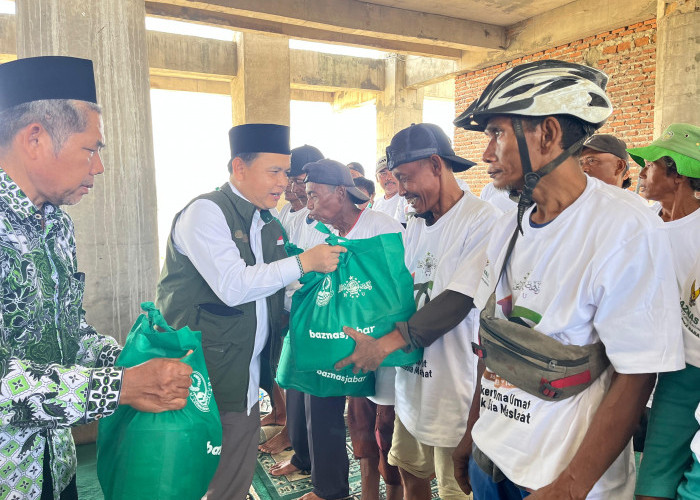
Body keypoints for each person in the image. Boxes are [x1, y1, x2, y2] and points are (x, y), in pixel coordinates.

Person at [450, 59, 684, 499]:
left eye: (497, 133)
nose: (485, 154)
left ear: (548, 134)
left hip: (558, 480)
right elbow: (495, 344)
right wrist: (472, 433)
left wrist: (571, 488)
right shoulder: (507, 227)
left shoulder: (623, 228)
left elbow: (639, 373)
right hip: (492, 462)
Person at [0, 56, 193, 500]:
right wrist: (122, 386)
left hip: (57, 461)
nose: (98, 168)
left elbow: (68, 330)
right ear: (35, 138)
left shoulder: (55, 224)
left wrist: (128, 356)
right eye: (91, 150)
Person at [154, 124, 345, 500]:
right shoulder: (206, 212)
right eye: (273, 171)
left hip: (243, 373)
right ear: (239, 167)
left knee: (232, 477)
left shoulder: (266, 222)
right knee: (196, 476)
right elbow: (234, 286)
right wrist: (306, 263)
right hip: (203, 375)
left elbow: (279, 287)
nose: (283, 182)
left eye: (286, 172)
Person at [337, 123, 500, 500]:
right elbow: (398, 292)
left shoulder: (482, 219)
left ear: (435, 164)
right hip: (411, 388)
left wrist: (383, 345)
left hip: (454, 394)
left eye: (406, 178)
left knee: (455, 489)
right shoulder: (414, 224)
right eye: (396, 179)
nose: (403, 190)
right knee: (411, 476)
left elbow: (458, 300)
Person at [280, 158, 404, 500]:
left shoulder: (382, 227)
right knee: (330, 411)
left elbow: (395, 288)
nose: (309, 202)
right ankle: (331, 489)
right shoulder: (324, 233)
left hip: (377, 346)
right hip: (336, 341)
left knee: (384, 427)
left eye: (314, 194)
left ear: (340, 191)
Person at [630, 124, 700, 500]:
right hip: (652, 364)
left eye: (651, 165)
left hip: (691, 366)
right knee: (652, 484)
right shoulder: (642, 222)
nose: (641, 172)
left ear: (677, 175)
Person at [259, 144, 324, 440]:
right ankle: (282, 413)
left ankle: (292, 433)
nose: (288, 186)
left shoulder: (321, 220)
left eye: (295, 179)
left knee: (300, 375)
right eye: (287, 177)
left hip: (307, 307)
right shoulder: (287, 212)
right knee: (276, 362)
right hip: (283, 300)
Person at [373, 156, 405, 220]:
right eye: (383, 173)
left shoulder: (406, 199)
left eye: (393, 172)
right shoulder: (377, 203)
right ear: (377, 178)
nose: (389, 178)